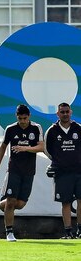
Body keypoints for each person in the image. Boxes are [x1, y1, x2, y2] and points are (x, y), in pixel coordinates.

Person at [0, 104, 44, 242]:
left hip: (29, 170)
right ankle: (9, 233)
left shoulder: (36, 128)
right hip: (14, 170)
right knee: (11, 202)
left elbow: (41, 147)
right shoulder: (11, 129)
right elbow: (2, 147)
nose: (22, 121)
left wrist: (25, 148)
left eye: (25, 118)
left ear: (29, 116)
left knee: (20, 204)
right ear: (16, 117)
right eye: (20, 118)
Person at [44, 102, 81, 239]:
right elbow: (47, 150)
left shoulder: (78, 128)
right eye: (62, 112)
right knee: (65, 202)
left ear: (71, 112)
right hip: (62, 172)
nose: (65, 114)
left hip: (79, 171)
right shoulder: (52, 130)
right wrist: (57, 162)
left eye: (67, 111)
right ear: (57, 114)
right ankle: (68, 232)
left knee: (80, 200)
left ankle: (80, 231)